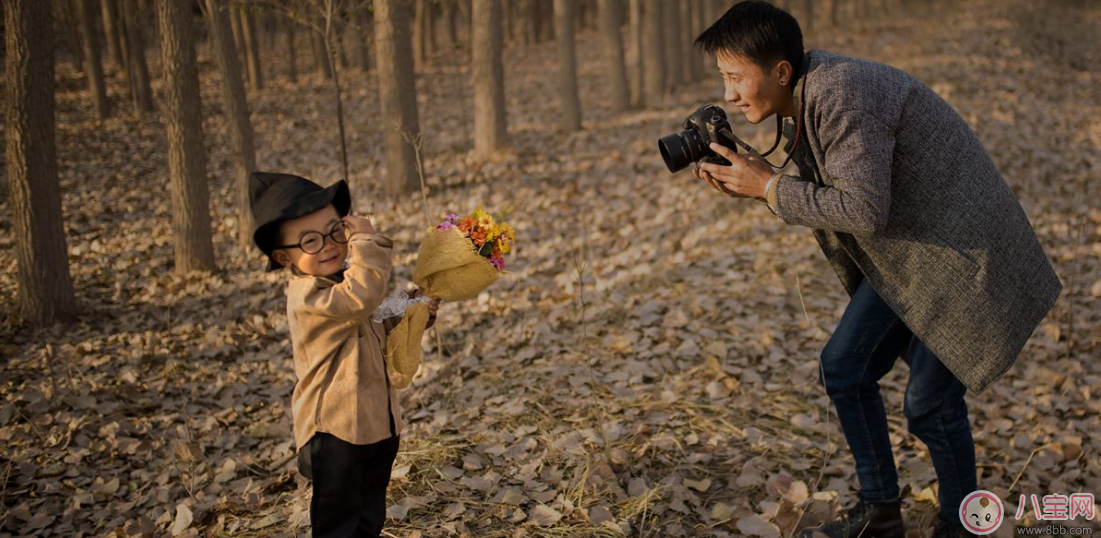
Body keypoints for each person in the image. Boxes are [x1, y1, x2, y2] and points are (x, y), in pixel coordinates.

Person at [690, 2, 1061, 536]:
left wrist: (769, 188)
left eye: (733, 77)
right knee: (844, 368)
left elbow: (863, 210)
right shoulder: (809, 94)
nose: (727, 93)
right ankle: (882, 513)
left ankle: (962, 525)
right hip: (913, 256)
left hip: (957, 256)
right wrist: (757, 181)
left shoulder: (840, 94)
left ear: (780, 71)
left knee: (930, 402)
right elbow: (831, 195)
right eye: (722, 78)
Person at [249, 172, 438, 538]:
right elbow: (361, 299)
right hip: (333, 433)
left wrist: (416, 309)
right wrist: (366, 240)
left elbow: (377, 320)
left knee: (370, 513)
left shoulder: (346, 280)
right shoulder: (308, 297)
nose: (328, 245)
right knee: (339, 522)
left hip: (375, 422)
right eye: (309, 240)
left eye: (336, 231)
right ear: (283, 257)